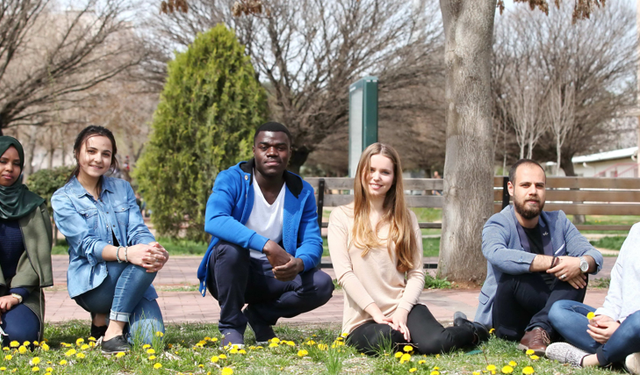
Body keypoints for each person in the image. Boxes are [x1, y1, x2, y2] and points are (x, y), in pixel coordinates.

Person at [328, 142, 488, 355]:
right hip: (363, 318)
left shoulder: (406, 219)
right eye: (371, 170)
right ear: (361, 173)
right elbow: (345, 275)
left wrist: (402, 312)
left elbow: (416, 274)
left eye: (385, 172)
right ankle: (405, 337)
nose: (376, 177)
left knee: (435, 344)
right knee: (389, 340)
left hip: (403, 307)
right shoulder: (341, 217)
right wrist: (376, 314)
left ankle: (472, 330)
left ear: (394, 178)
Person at [196, 122, 334, 347]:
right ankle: (231, 326)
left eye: (280, 147)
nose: (272, 152)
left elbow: (312, 241)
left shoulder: (301, 190)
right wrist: (266, 245)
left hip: (275, 275)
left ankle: (260, 316)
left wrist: (298, 263)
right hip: (230, 273)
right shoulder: (232, 178)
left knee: (322, 284)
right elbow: (215, 219)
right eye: (265, 146)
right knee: (230, 249)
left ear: (289, 152)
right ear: (254, 151)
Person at [52, 125, 169, 354]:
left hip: (131, 276)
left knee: (150, 340)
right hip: (93, 283)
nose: (98, 159)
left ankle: (104, 323)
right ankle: (113, 330)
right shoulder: (63, 198)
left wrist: (152, 246)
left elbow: (137, 229)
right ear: (77, 153)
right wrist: (128, 253)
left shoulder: (122, 188)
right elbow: (87, 244)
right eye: (91, 151)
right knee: (141, 262)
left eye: (105, 154)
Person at [474, 159, 603, 355]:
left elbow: (593, 255)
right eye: (525, 185)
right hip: (509, 318)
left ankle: (540, 330)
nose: (533, 191)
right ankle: (544, 328)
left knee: (579, 271)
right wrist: (554, 262)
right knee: (516, 271)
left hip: (546, 307)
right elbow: (497, 254)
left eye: (539, 186)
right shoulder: (498, 223)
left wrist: (582, 263)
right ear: (511, 188)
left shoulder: (559, 221)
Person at [545, 223, 640, 373]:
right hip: (622, 323)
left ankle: (592, 360)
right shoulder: (636, 230)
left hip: (635, 323)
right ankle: (627, 355)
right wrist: (607, 316)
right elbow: (618, 282)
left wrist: (621, 327)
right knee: (560, 310)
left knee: (637, 321)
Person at [0, 136, 53, 346]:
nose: (9, 168)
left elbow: (38, 257)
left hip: (22, 291)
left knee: (20, 338)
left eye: (16, 163)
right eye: (3, 161)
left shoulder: (34, 206)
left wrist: (16, 295)